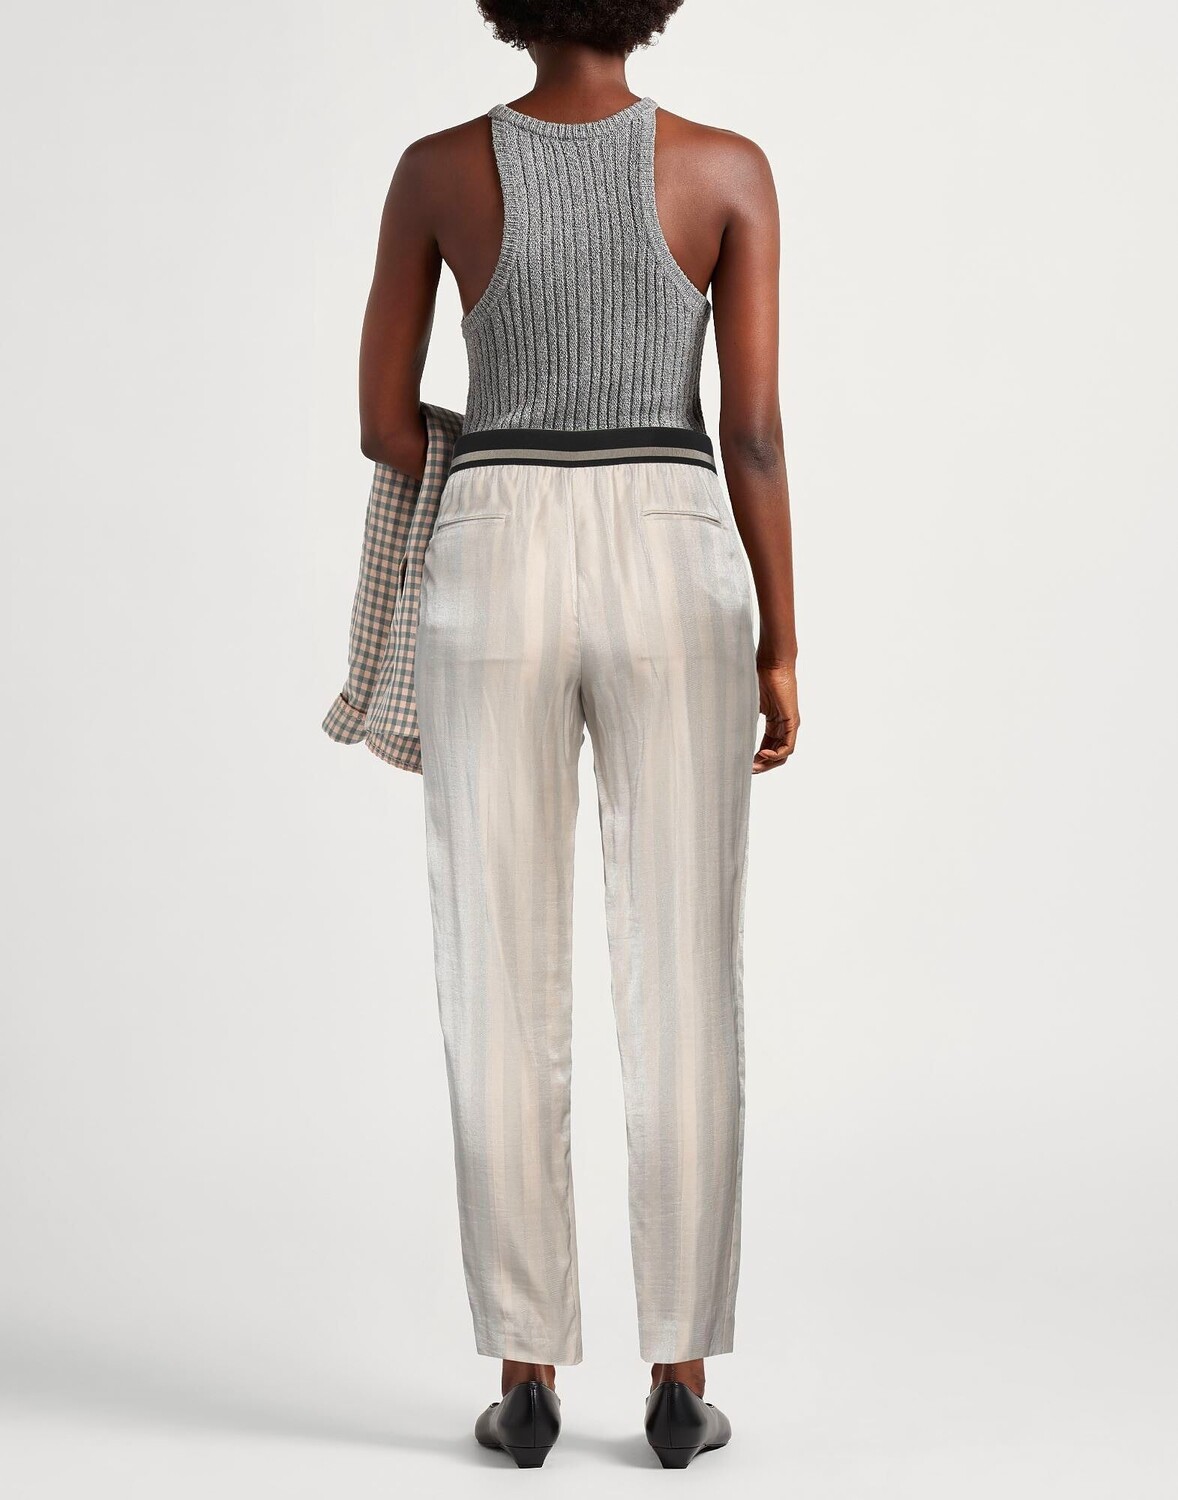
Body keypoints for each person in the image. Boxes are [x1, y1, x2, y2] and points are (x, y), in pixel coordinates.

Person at [356, 0, 799, 1468]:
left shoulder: (436, 170)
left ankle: (527, 1374)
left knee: (497, 961)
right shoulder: (725, 169)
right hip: (673, 540)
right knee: (684, 963)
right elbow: (751, 431)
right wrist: (780, 642)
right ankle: (678, 1380)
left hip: (495, 535)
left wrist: (503, 463)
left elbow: (383, 426)